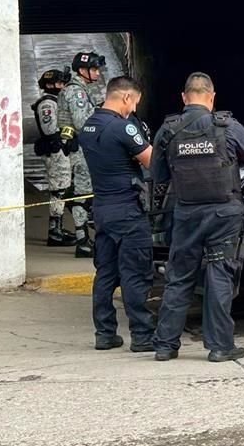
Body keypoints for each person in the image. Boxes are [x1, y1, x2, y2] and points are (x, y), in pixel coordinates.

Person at [151, 73, 244, 363]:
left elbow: (158, 176)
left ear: (184, 97)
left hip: (186, 213)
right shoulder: (228, 126)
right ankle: (220, 346)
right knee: (219, 274)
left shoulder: (168, 130)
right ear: (212, 97)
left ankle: (165, 345)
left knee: (179, 276)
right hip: (224, 213)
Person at [78, 76, 156, 351]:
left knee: (106, 274)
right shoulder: (123, 128)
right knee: (135, 273)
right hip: (127, 210)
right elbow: (153, 161)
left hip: (102, 209)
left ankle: (105, 333)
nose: (133, 109)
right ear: (125, 98)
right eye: (134, 103)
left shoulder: (87, 127)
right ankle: (143, 336)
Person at [56, 51, 108, 258]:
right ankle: (83, 241)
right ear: (82, 70)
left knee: (84, 193)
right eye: (94, 69)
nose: (97, 73)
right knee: (83, 194)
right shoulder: (76, 92)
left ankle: (84, 238)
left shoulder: (81, 89)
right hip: (81, 150)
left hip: (82, 149)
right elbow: (83, 124)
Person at [32, 68, 77, 247]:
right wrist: (65, 140)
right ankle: (55, 232)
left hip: (62, 151)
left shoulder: (56, 101)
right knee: (58, 190)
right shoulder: (48, 104)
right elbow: (50, 131)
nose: (63, 86)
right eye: (60, 83)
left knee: (64, 188)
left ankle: (57, 229)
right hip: (56, 152)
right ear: (50, 84)